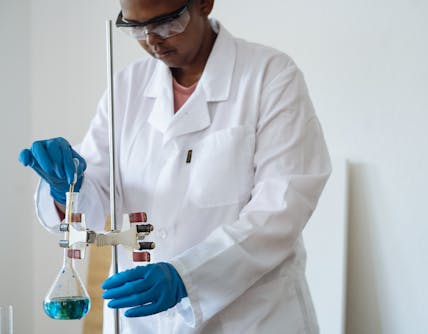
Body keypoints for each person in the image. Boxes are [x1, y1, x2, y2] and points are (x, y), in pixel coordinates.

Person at [19, 0, 331, 332]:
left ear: (204, 4)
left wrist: (188, 274)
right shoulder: (127, 88)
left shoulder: (269, 75)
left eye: (167, 23)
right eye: (137, 27)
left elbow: (281, 209)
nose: (153, 39)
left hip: (251, 318)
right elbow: (96, 198)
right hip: (145, 321)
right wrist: (66, 188)